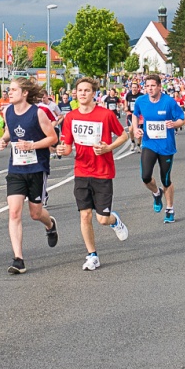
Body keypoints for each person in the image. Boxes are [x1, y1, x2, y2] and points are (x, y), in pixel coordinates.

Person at [55, 77, 129, 270]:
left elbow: (124, 135)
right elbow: (67, 145)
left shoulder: (105, 115)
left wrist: (108, 148)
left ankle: (114, 220)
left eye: (86, 90)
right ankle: (92, 255)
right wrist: (63, 150)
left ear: (94, 93)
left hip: (103, 172)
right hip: (81, 170)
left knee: (102, 219)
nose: (82, 94)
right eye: (79, 90)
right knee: (85, 215)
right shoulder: (70, 117)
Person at [0, 78, 59, 274]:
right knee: (14, 212)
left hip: (36, 168)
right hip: (16, 169)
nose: (9, 92)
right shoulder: (8, 112)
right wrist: (3, 140)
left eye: (14, 89)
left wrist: (31, 145)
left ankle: (50, 224)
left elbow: (53, 138)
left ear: (24, 93)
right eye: (9, 89)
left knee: (35, 213)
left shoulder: (37, 113)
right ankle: (18, 259)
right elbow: (9, 131)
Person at [132, 74, 185, 223]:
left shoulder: (168, 102)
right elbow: (135, 115)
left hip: (166, 146)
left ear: (159, 86)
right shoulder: (140, 101)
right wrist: (136, 129)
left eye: (153, 86)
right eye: (147, 86)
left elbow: (182, 118)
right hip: (149, 143)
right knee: (145, 176)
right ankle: (156, 193)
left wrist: (175, 124)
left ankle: (169, 209)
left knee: (166, 179)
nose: (150, 89)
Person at [122, 80, 143, 152]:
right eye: (133, 87)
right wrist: (125, 107)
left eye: (135, 87)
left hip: (139, 115)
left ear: (138, 88)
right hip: (130, 114)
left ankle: (139, 145)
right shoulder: (129, 94)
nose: (134, 89)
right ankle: (132, 142)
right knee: (130, 130)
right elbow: (126, 100)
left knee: (138, 131)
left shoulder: (141, 95)